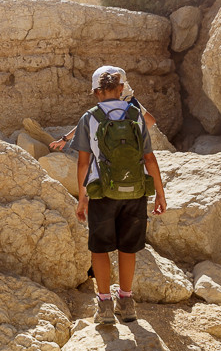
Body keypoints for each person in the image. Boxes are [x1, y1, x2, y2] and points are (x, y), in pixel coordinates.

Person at [70, 65, 168, 324]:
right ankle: (127, 303)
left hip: (102, 194)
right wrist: (159, 194)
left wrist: (82, 197)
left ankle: (104, 306)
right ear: (121, 89)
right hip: (135, 192)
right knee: (128, 248)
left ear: (95, 93)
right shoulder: (136, 115)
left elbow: (83, 163)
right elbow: (149, 157)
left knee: (100, 250)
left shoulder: (89, 117)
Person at [49, 71, 157, 152]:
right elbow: (150, 121)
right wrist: (134, 137)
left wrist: (64, 139)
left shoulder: (99, 112)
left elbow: (86, 122)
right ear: (122, 88)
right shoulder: (132, 106)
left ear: (98, 92)